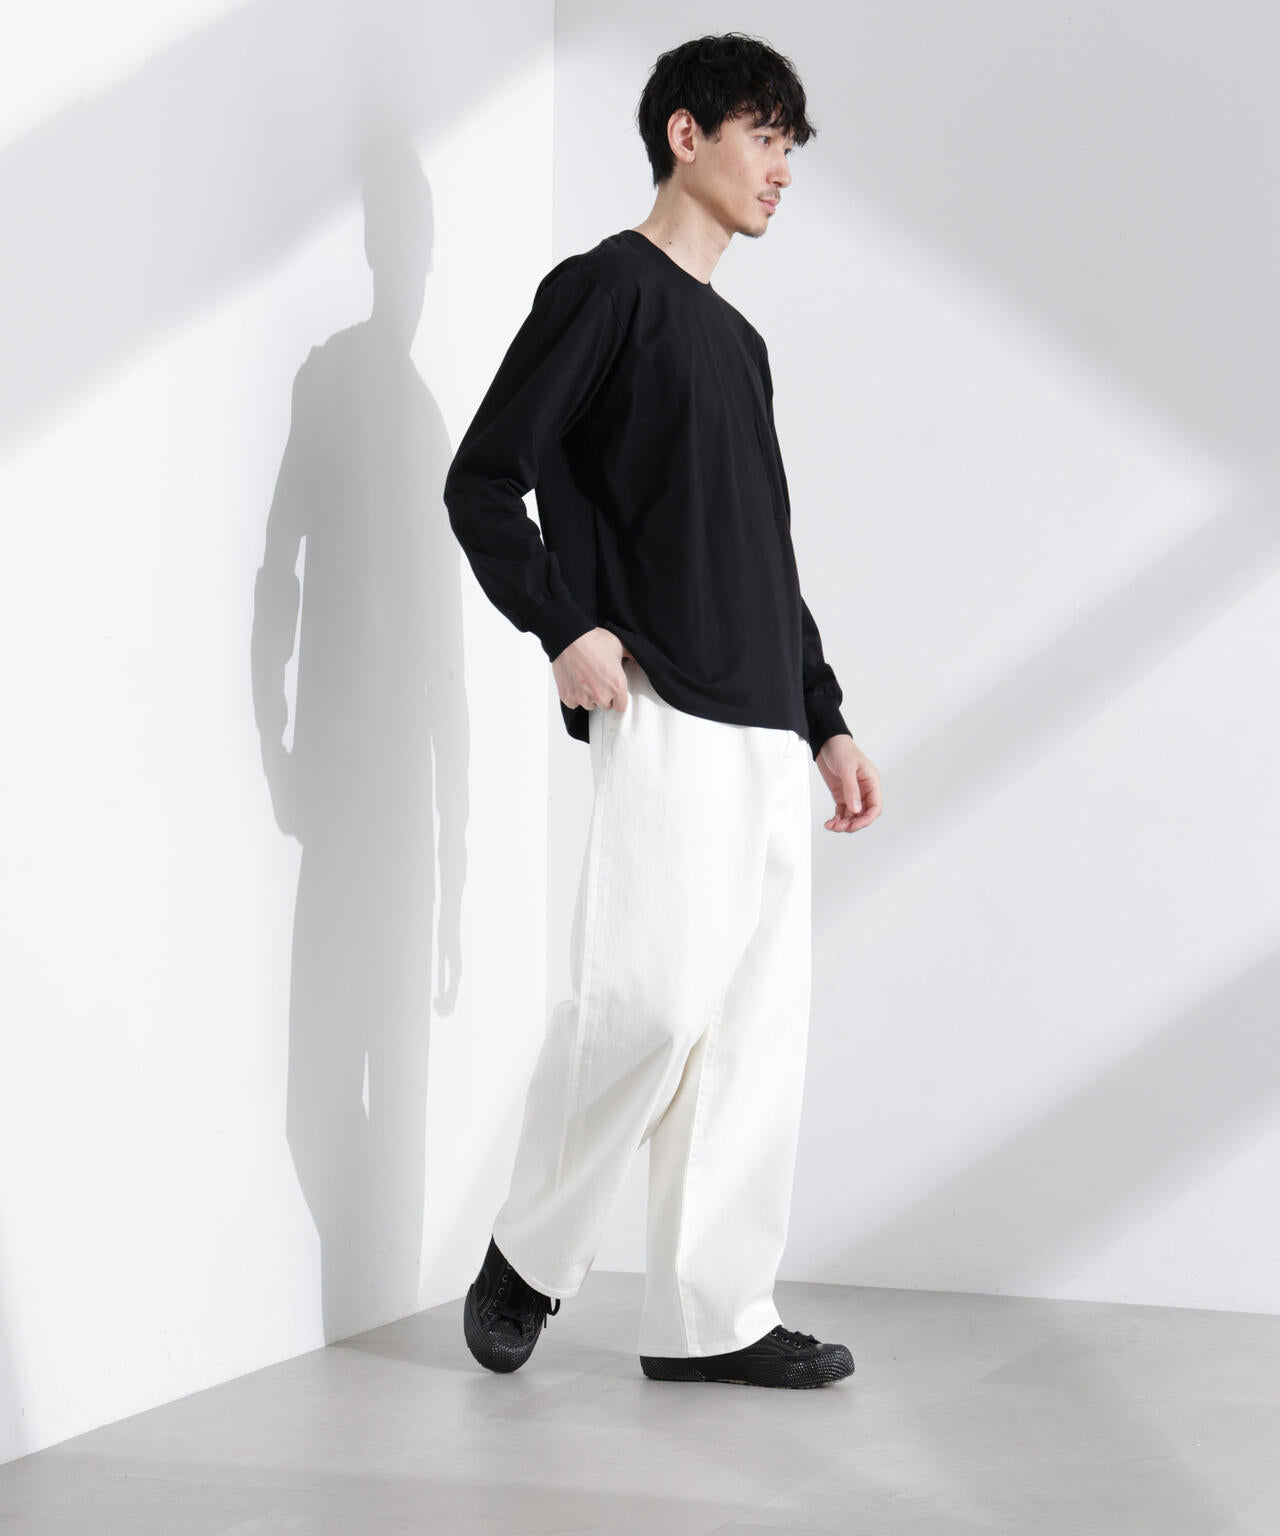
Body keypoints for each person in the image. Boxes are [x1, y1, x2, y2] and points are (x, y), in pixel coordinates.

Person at [444, 32, 882, 1388]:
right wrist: (560, 624)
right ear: (685, 136)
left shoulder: (740, 345)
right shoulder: (604, 291)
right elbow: (482, 478)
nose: (781, 171)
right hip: (666, 700)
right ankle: (528, 1256)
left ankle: (715, 1319)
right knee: (648, 1001)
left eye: (791, 148)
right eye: (763, 137)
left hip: (764, 719)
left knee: (755, 1034)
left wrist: (825, 717)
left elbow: (765, 551)